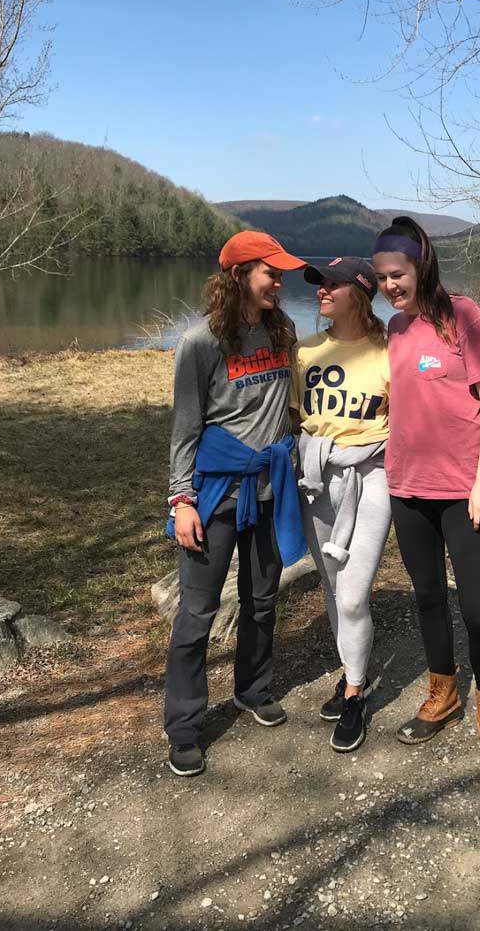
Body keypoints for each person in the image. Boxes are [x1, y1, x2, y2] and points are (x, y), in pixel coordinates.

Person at [163, 230, 308, 778]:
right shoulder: (200, 343)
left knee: (262, 600)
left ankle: (252, 689)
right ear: (239, 275)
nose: (279, 280)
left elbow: (289, 404)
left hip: (271, 490)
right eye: (270, 272)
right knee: (197, 615)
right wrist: (181, 501)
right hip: (216, 494)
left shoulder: (282, 331)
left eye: (281, 272)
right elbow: (184, 429)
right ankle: (184, 726)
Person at [372, 216, 480, 775]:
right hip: (407, 486)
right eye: (382, 277)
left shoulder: (463, 315)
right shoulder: (395, 330)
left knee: (479, 611)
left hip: (463, 490)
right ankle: (443, 694)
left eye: (397, 274)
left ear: (421, 266)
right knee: (427, 598)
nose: (389, 286)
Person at [291, 256, 390, 753]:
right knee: (333, 592)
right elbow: (292, 417)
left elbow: (411, 420)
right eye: (319, 284)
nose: (321, 291)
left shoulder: (386, 351)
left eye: (332, 284)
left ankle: (354, 695)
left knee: (352, 596)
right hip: (316, 479)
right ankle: (352, 671)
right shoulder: (305, 351)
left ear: (362, 293)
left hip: (371, 477)